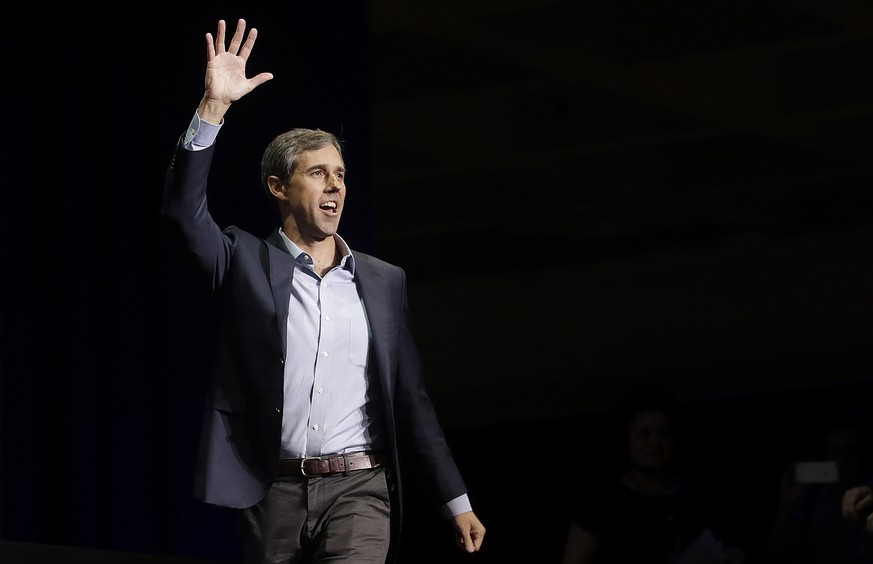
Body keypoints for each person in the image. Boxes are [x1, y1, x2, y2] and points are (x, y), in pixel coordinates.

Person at [161, 18, 485, 563]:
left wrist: (457, 501)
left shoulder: (382, 281)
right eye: (317, 173)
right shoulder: (243, 261)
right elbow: (182, 214)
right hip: (272, 493)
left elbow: (412, 400)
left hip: (360, 487)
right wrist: (212, 110)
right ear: (279, 188)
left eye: (340, 174)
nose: (335, 185)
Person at [559, 385, 746, 564]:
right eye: (644, 434)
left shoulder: (697, 496)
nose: (655, 443)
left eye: (663, 433)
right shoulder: (602, 505)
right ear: (625, 438)